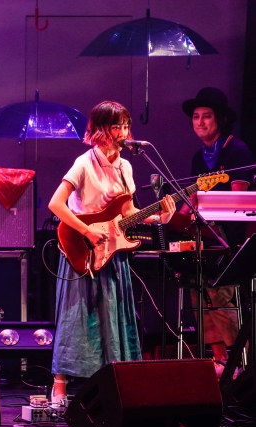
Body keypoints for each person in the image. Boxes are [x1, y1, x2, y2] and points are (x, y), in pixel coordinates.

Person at [48, 101, 176, 404]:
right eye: (117, 126)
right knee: (77, 317)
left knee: (115, 316)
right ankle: (59, 384)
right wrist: (86, 230)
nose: (123, 132)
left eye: (126, 126)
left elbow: (128, 212)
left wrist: (160, 217)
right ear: (100, 129)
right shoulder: (84, 163)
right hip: (83, 250)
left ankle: (113, 383)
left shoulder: (125, 166)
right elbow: (56, 204)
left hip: (113, 251)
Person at [178, 87, 255, 378]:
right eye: (196, 117)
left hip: (231, 239)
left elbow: (238, 201)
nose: (199, 122)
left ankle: (238, 363)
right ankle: (219, 359)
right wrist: (173, 218)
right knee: (198, 294)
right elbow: (193, 198)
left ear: (221, 119)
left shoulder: (237, 150)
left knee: (220, 297)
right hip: (206, 236)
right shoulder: (199, 157)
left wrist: (204, 213)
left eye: (206, 116)